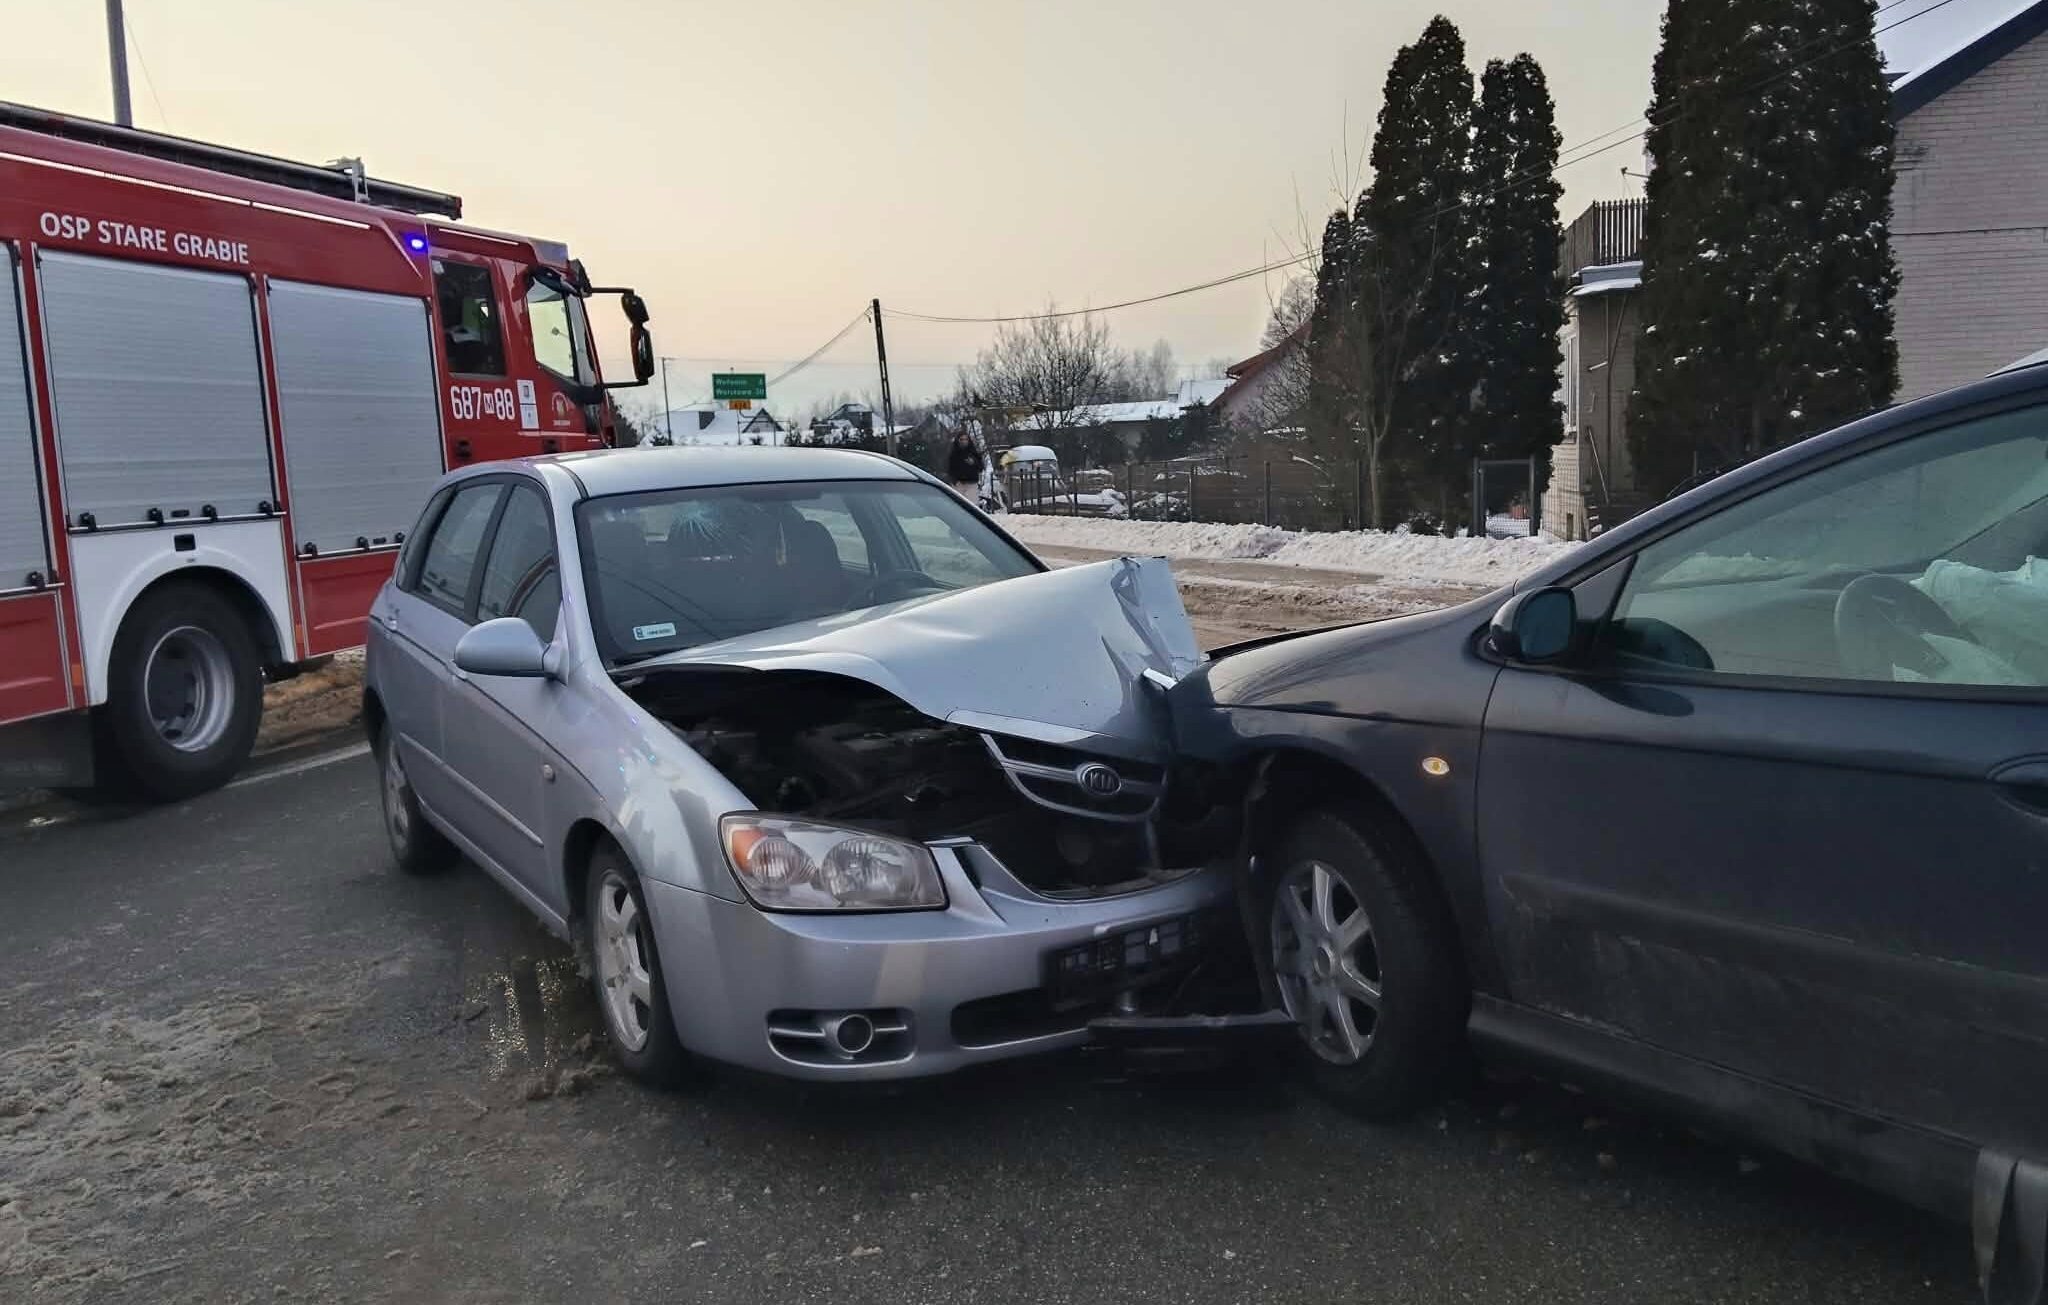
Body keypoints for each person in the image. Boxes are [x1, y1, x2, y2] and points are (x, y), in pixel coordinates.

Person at [944, 430, 985, 502]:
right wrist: (954, 481)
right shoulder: (954, 454)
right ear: (958, 440)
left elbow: (981, 467)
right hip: (958, 484)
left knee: (972, 504)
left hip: (971, 484)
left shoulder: (973, 453)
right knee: (959, 504)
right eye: (961, 439)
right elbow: (950, 469)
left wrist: (974, 463)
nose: (964, 441)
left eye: (966, 439)